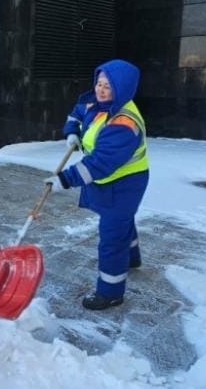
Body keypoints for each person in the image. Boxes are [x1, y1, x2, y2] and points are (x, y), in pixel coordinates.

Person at [47, 59, 149, 311]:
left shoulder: (124, 123)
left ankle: (110, 291)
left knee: (112, 237)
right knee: (123, 221)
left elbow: (100, 163)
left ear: (122, 88)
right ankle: (132, 258)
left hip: (125, 182)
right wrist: (71, 131)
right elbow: (77, 111)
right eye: (99, 83)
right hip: (109, 181)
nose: (101, 89)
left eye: (108, 86)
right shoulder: (96, 101)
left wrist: (64, 179)